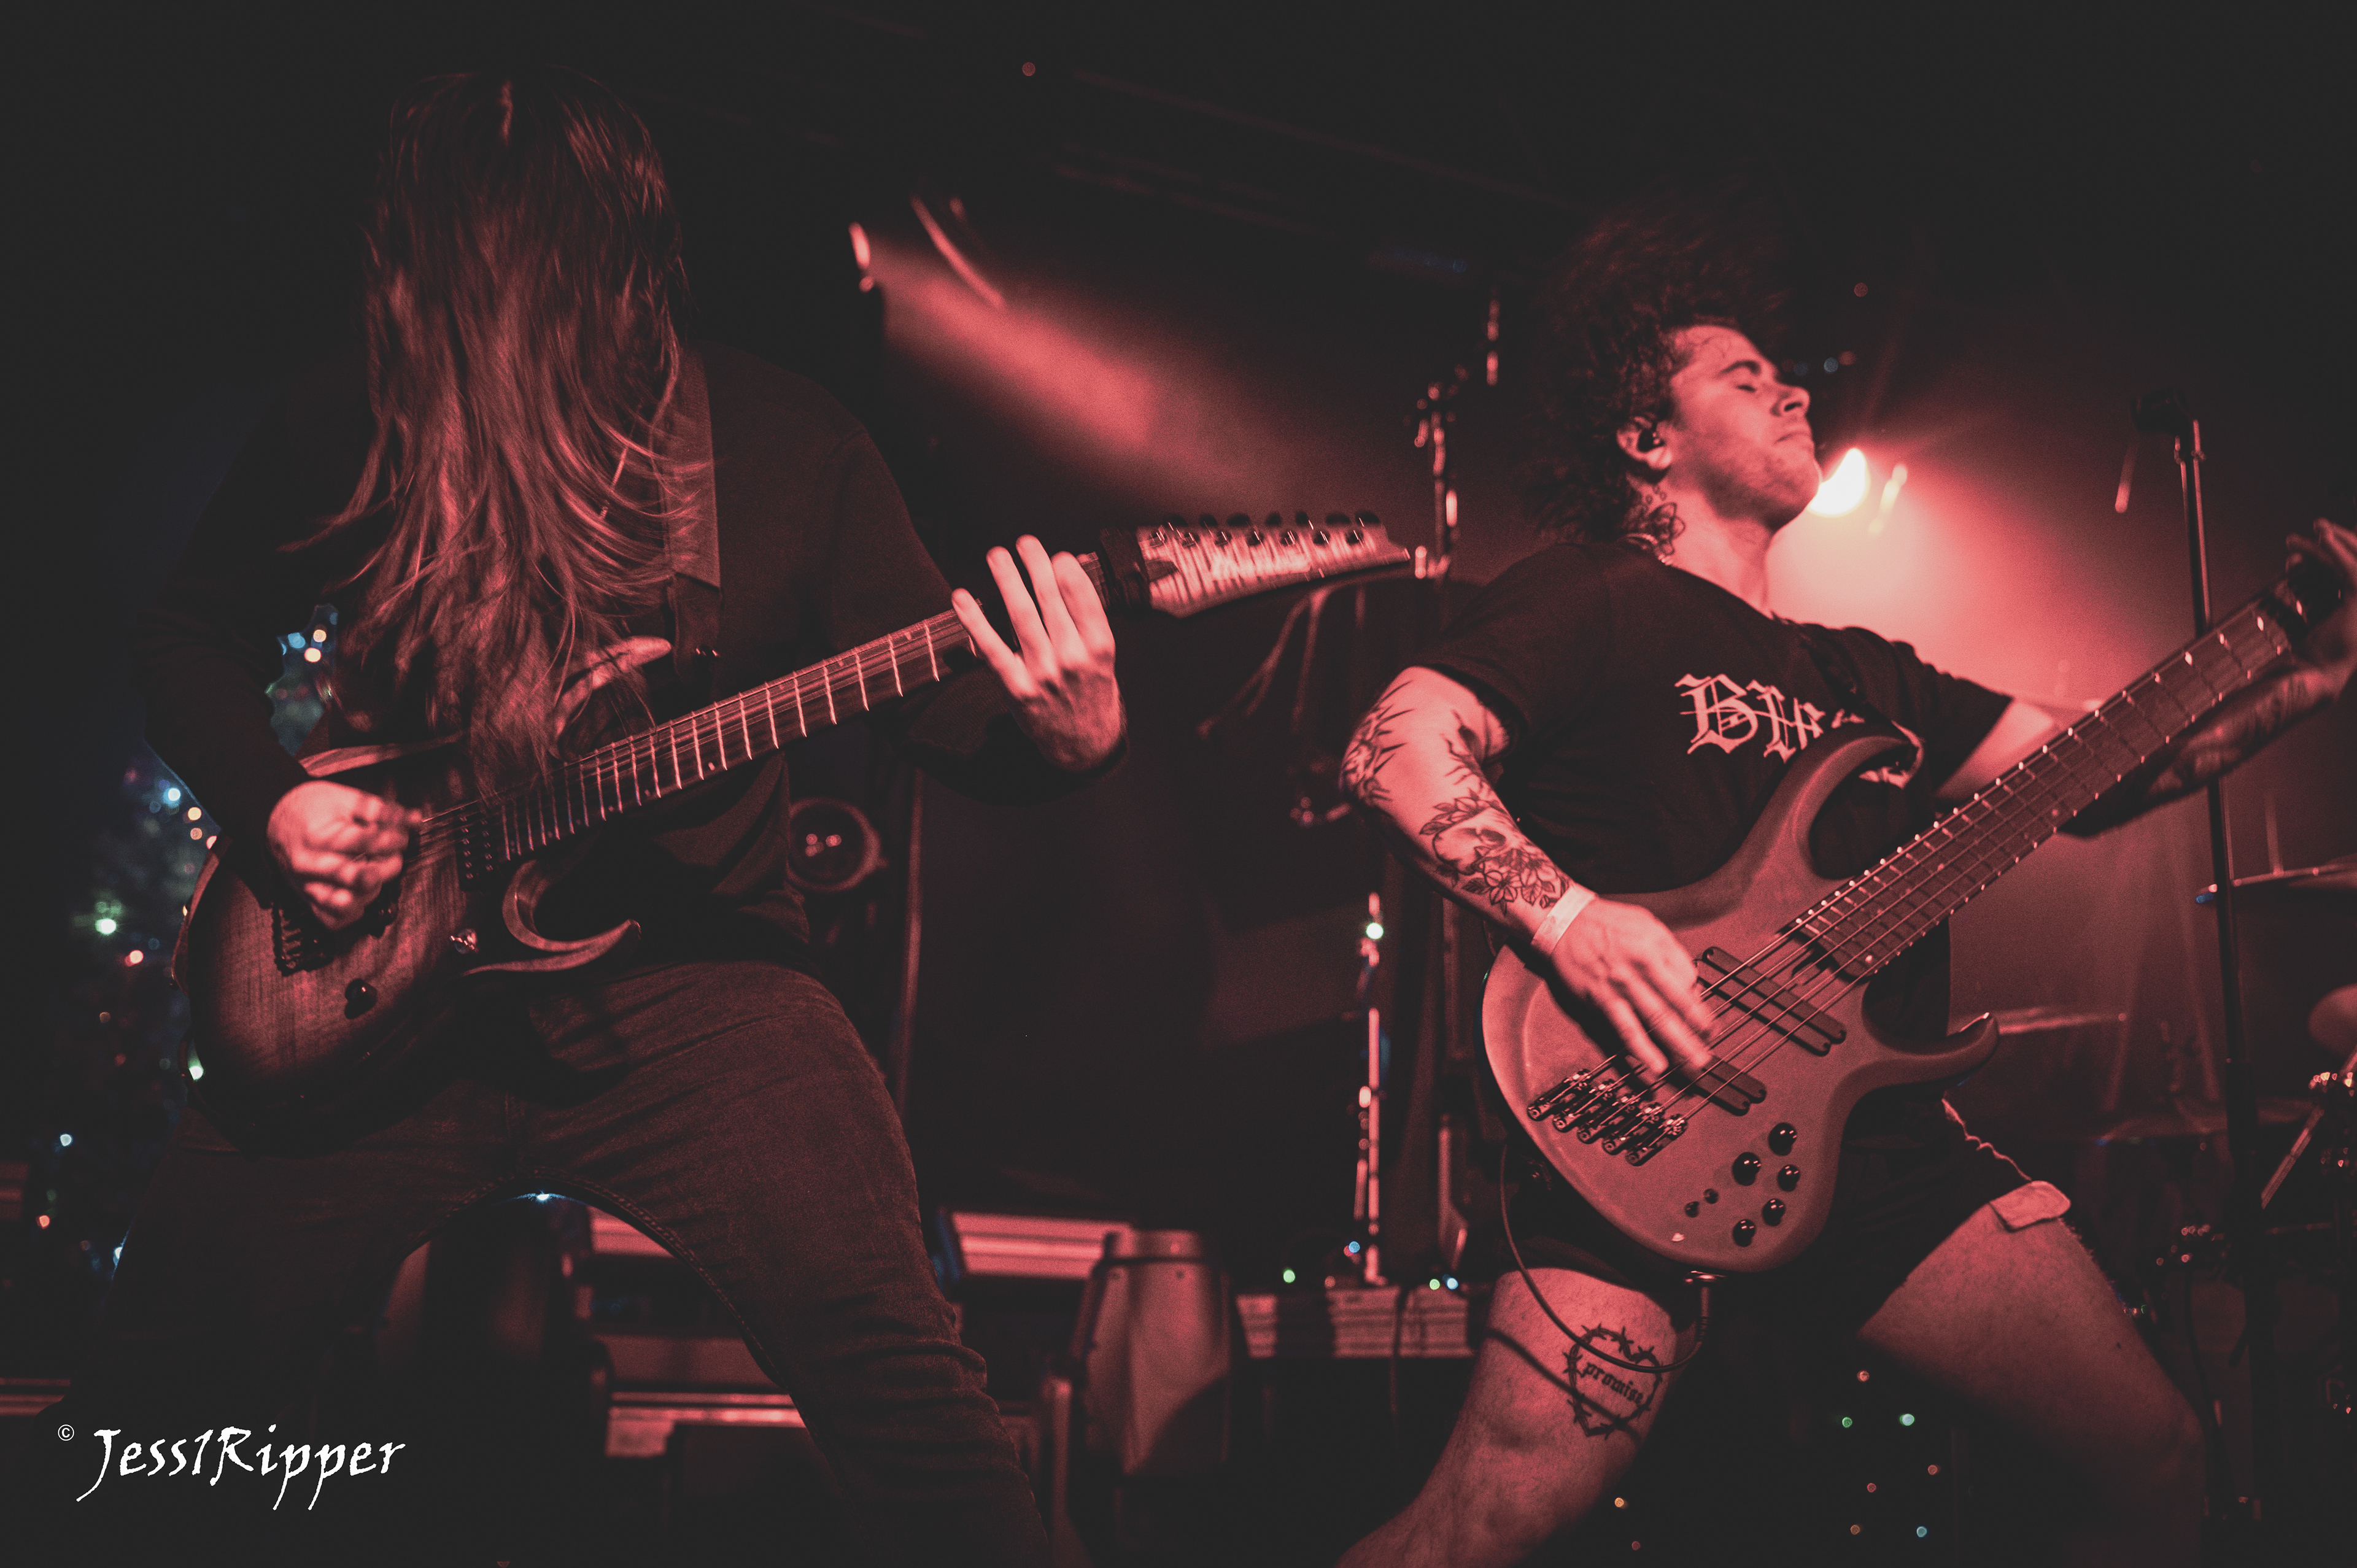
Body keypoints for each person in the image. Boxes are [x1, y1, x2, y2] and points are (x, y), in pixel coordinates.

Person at [45, 68, 1120, 1563]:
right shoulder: (362, 414)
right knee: (152, 1412)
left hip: (702, 981)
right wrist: (276, 805)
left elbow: (949, 715)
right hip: (374, 974)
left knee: (908, 1397)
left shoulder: (785, 442)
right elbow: (186, 638)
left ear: (614, 262)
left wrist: (1066, 737)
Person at [1334, 201, 2355, 1566]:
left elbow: (2104, 772)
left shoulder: (1869, 675)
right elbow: (1394, 743)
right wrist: (1569, 921)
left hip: (1880, 1143)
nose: (1795, 390)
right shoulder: (1590, 596)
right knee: (1489, 1521)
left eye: (1786, 373)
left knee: (2159, 1460)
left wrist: (2297, 676)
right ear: (1645, 439)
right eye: (1744, 377)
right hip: (1645, 1115)